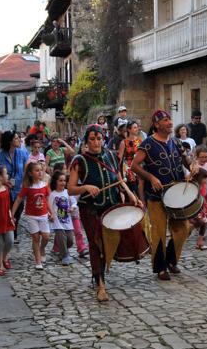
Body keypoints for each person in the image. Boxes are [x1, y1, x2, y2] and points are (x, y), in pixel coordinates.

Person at [68, 124, 139, 301]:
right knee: (95, 244)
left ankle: (100, 273)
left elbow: (120, 179)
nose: (96, 143)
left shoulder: (112, 157)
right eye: (92, 139)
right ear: (86, 141)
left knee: (109, 242)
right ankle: (100, 284)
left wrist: (131, 195)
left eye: (99, 139)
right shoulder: (79, 161)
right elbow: (70, 189)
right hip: (90, 209)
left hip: (110, 206)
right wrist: (85, 187)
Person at [132, 110, 198, 280]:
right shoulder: (147, 144)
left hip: (176, 193)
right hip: (156, 196)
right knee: (159, 232)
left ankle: (171, 259)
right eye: (165, 120)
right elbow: (135, 165)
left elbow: (187, 161)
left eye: (170, 119)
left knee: (183, 228)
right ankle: (160, 267)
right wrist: (151, 177)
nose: (170, 122)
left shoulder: (176, 142)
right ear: (156, 124)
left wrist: (193, 167)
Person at [12, 162, 53, 270]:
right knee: (35, 237)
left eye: (41, 170)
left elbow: (47, 199)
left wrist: (51, 212)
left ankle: (42, 248)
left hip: (43, 214)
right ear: (31, 173)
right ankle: (38, 261)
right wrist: (12, 214)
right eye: (37, 170)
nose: (40, 172)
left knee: (46, 236)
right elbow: (19, 199)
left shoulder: (44, 185)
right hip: (31, 216)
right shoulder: (27, 186)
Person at [0, 131, 30, 242]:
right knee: (5, 212)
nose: (19, 140)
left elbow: (26, 170)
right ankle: (7, 232)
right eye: (16, 138)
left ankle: (13, 230)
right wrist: (4, 182)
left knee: (18, 211)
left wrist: (25, 184)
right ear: (9, 141)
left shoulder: (22, 153)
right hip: (4, 189)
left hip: (19, 189)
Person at [48, 171, 77, 266]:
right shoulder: (53, 194)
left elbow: (73, 202)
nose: (63, 183)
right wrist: (50, 214)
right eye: (60, 180)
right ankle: (65, 256)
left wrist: (72, 207)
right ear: (56, 182)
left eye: (64, 180)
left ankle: (62, 251)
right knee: (61, 238)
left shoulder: (67, 192)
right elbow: (49, 206)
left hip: (67, 221)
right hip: (57, 221)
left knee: (70, 240)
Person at [118, 120, 142, 193]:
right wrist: (119, 174)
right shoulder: (123, 142)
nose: (137, 129)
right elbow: (119, 159)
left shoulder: (140, 141)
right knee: (133, 188)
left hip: (139, 166)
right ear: (129, 129)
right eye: (134, 127)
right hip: (128, 168)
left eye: (137, 127)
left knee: (141, 188)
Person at [188, 168, 207, 250]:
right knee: (200, 222)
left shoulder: (202, 186)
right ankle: (187, 232)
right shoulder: (193, 186)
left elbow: (203, 197)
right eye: (204, 178)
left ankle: (200, 242)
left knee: (204, 223)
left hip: (201, 209)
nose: (205, 180)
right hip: (194, 209)